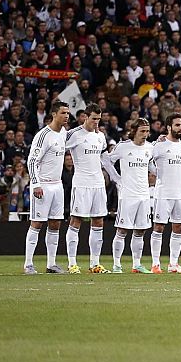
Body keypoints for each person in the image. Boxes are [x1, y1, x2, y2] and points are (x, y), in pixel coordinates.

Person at [104, 119, 154, 273]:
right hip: (128, 195)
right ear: (134, 131)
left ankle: (136, 264)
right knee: (122, 230)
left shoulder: (150, 148)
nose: (145, 134)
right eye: (142, 131)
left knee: (141, 230)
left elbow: (151, 166)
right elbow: (106, 160)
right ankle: (117, 264)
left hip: (144, 195)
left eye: (147, 131)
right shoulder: (123, 147)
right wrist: (117, 179)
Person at [25, 105, 71, 274]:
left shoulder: (64, 133)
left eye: (67, 113)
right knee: (36, 223)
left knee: (55, 224)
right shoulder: (43, 135)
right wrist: (36, 183)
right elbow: (31, 161)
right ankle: (28, 264)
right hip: (42, 185)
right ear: (54, 114)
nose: (66, 116)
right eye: (63, 113)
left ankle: (51, 264)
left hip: (57, 185)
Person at [64, 108, 110, 274]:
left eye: (98, 119)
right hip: (81, 184)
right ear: (85, 117)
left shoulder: (100, 136)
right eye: (93, 118)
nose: (96, 122)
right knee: (76, 221)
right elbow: (58, 150)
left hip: (98, 184)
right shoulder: (74, 134)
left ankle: (95, 264)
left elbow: (103, 157)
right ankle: (72, 264)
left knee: (98, 221)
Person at [149, 114, 181, 274]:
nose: (180, 128)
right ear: (169, 127)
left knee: (178, 227)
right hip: (163, 193)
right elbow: (146, 161)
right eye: (177, 125)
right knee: (159, 227)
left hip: (180, 194)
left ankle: (173, 264)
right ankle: (155, 264)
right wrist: (157, 173)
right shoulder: (159, 145)